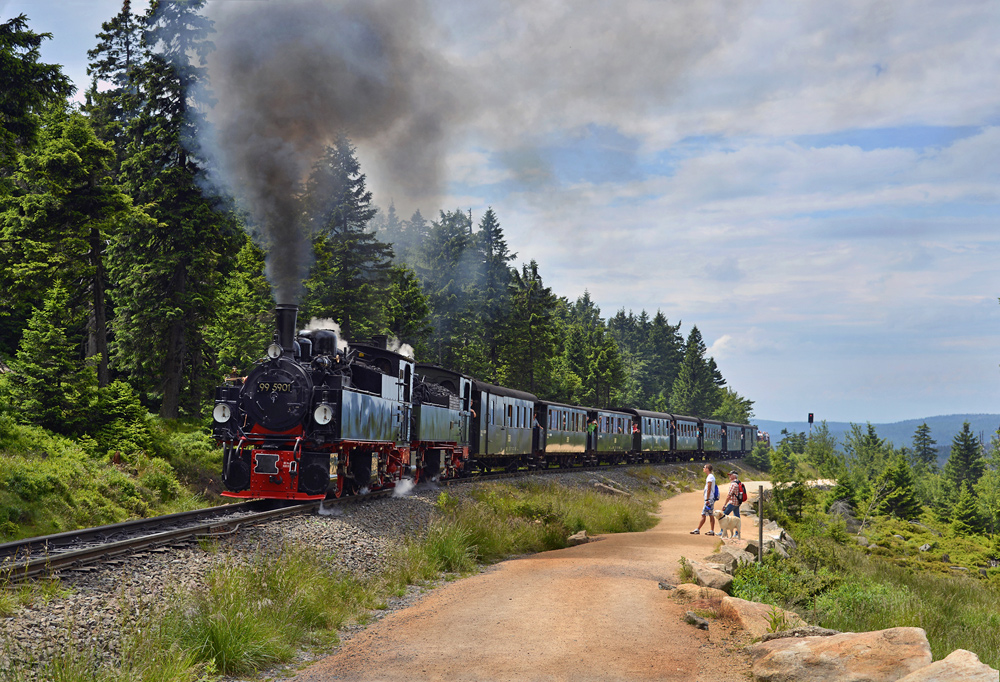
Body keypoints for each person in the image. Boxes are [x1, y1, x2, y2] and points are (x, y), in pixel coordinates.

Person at [690, 464, 717, 535]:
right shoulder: (711, 476)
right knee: (710, 515)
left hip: (709, 499)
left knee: (703, 514)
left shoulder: (710, 477)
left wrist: (707, 499)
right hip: (710, 499)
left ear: (707, 469)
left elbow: (709, 488)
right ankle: (711, 531)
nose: (703, 468)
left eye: (704, 467)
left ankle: (698, 529)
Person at [722, 471, 742, 538]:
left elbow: (729, 495)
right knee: (737, 518)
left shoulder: (733, 484)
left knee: (723, 516)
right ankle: (737, 533)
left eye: (730, 475)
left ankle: (722, 532)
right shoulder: (739, 482)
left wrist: (724, 504)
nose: (729, 476)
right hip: (737, 503)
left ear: (734, 476)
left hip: (732, 503)